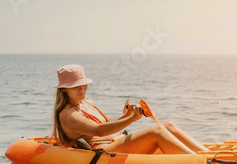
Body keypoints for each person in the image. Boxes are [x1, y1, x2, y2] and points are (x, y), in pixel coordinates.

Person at [53, 64, 208, 154]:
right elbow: (99, 131)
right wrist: (132, 118)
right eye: (75, 86)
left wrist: (127, 115)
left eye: (83, 84)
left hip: (115, 141)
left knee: (168, 126)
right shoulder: (68, 114)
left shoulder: (87, 103)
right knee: (157, 132)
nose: (81, 89)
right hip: (102, 151)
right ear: (64, 89)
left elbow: (107, 128)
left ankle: (207, 155)